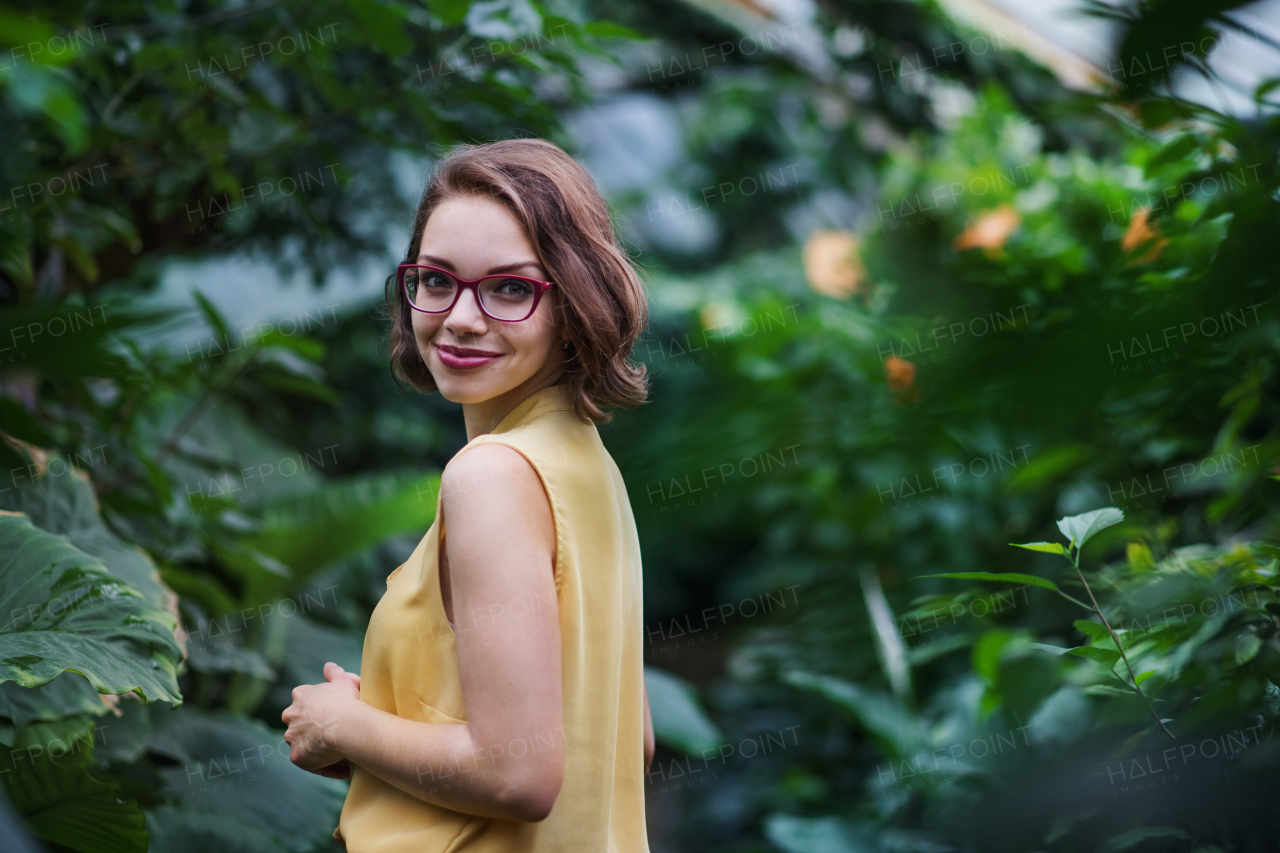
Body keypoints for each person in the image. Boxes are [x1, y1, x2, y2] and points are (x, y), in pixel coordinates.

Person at [281, 138, 655, 852]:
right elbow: (624, 738)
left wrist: (343, 725)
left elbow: (517, 775)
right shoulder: (584, 462)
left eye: (511, 288)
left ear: (575, 301)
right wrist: (397, 725)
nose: (459, 317)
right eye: (437, 279)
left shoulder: (491, 474)